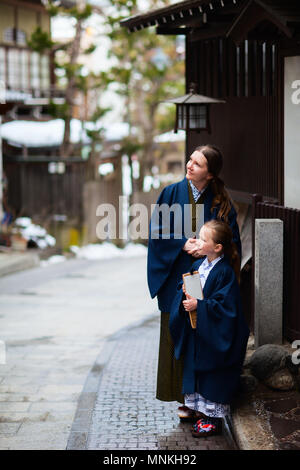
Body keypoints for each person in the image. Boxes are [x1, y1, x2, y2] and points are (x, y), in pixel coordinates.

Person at [147, 144, 242, 413]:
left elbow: (230, 241)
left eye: (197, 164)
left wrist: (207, 250)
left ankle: (202, 398)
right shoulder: (171, 193)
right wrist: (181, 243)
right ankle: (184, 399)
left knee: (200, 334)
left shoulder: (221, 202)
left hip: (205, 276)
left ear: (210, 174)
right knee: (176, 331)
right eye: (190, 160)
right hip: (177, 273)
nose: (189, 165)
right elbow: (156, 231)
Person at [169, 220, 249, 437]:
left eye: (204, 239)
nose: (199, 241)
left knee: (213, 373)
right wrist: (184, 292)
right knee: (197, 371)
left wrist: (200, 306)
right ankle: (199, 411)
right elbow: (189, 289)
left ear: (217, 247)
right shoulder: (198, 266)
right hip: (199, 331)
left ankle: (212, 418)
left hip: (214, 332)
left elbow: (226, 306)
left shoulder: (224, 272)